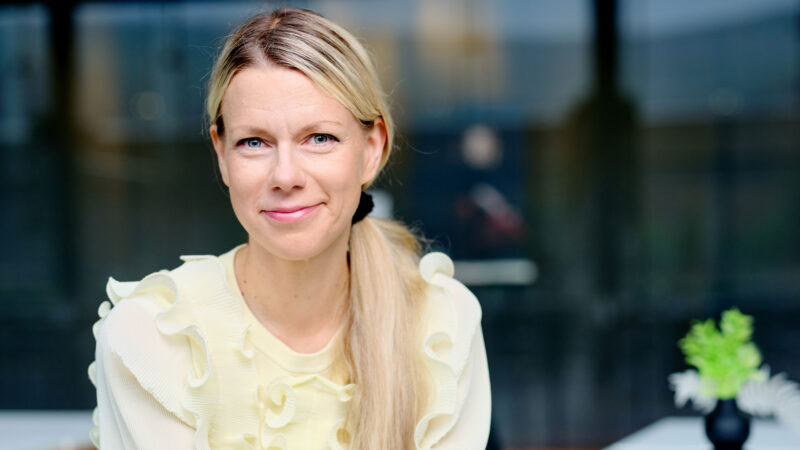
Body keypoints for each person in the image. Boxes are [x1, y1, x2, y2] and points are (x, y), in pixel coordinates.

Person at [88, 8, 490, 450]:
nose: (285, 176)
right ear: (222, 155)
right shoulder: (153, 336)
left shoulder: (442, 324)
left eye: (319, 138)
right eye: (253, 142)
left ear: (372, 148)